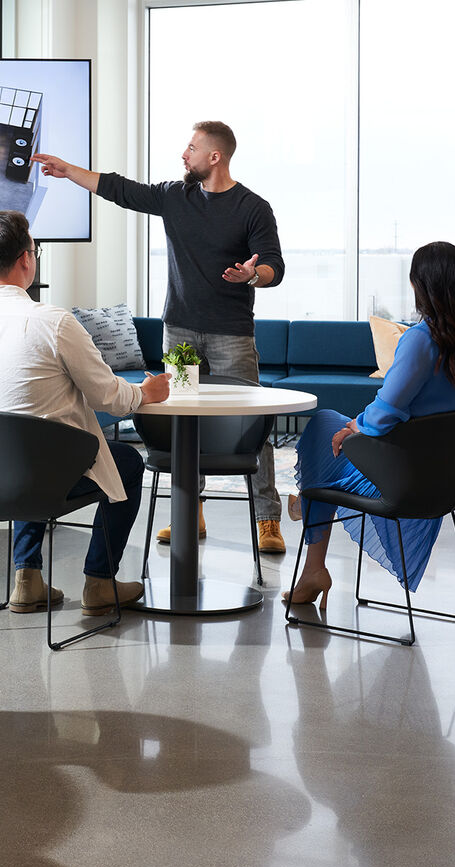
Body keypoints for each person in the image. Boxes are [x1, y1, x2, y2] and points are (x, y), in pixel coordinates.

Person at [32, 120, 288, 553]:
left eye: (191, 148)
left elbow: (274, 267)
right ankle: (192, 508)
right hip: (180, 330)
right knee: (181, 421)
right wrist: (67, 170)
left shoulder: (252, 208)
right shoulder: (176, 196)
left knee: (252, 425)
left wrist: (252, 275)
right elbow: (120, 189)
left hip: (232, 334)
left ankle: (267, 520)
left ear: (215, 156)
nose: (183, 154)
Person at [0, 210, 171, 614]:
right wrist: (146, 393)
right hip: (35, 478)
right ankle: (100, 582)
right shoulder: (52, 321)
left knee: (29, 442)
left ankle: (26, 579)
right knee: (128, 463)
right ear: (26, 259)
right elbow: (109, 398)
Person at [284, 241, 455, 606]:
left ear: (422, 286)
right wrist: (358, 427)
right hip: (447, 483)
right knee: (336, 434)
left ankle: (311, 533)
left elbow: (388, 409)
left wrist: (355, 427)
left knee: (323, 427)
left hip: (404, 478)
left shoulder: (421, 340)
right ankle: (310, 516)